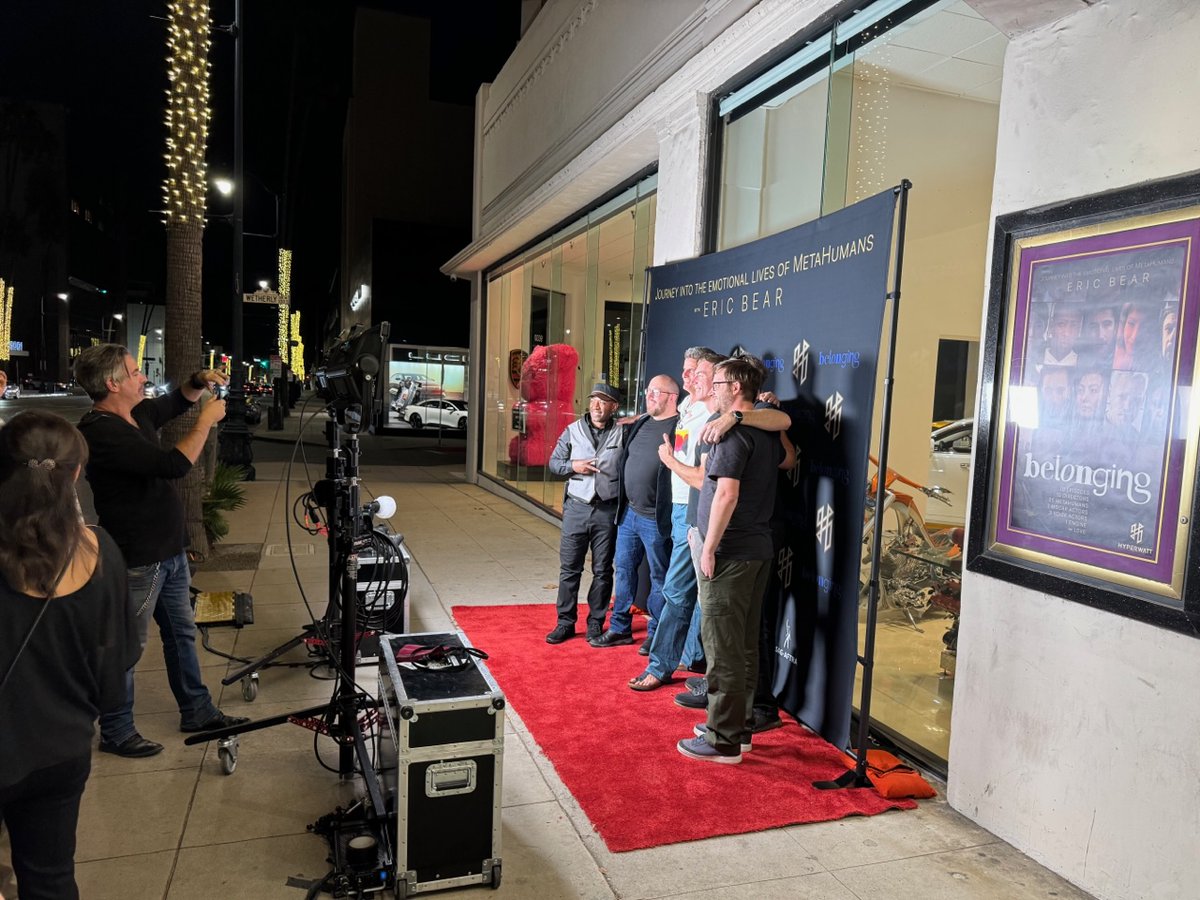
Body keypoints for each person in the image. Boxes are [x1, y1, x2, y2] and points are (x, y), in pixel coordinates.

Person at [74, 344, 249, 758]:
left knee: (182, 635)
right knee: (127, 647)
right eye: (134, 372)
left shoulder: (134, 416)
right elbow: (172, 464)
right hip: (139, 558)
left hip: (169, 552)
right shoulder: (101, 432)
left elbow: (171, 403)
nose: (142, 377)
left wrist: (196, 382)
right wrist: (205, 421)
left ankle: (197, 710)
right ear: (113, 383)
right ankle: (116, 731)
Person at [0, 411, 140, 900]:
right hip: (59, 749)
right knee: (50, 877)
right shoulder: (99, 552)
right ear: (76, 475)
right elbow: (117, 665)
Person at [629, 351, 789, 692]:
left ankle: (677, 673)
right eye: (688, 373)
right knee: (691, 601)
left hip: (718, 530)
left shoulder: (721, 417)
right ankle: (692, 671)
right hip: (689, 517)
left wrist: (672, 461)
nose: (691, 380)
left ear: (728, 384)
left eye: (700, 374)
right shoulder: (693, 407)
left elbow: (716, 484)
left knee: (694, 603)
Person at [677, 355, 786, 764]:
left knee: (723, 649)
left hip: (730, 554)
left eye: (719, 382)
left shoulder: (732, 435)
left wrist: (708, 548)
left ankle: (723, 740)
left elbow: (726, 494)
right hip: (754, 550)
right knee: (741, 647)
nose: (713, 389)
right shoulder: (758, 427)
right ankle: (737, 731)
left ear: (736, 387)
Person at [591, 375, 679, 649]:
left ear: (672, 397)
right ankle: (620, 628)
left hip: (655, 517)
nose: (649, 395)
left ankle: (655, 632)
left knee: (658, 575)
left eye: (656, 392)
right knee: (625, 571)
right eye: (648, 391)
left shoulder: (680, 426)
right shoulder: (641, 422)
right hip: (628, 513)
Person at [545, 382, 625, 644]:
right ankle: (565, 623)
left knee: (603, 570)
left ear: (614, 406)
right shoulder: (572, 430)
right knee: (570, 569)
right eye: (593, 400)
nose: (596, 405)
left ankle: (595, 623)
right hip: (577, 508)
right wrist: (574, 466)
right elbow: (554, 464)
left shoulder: (622, 433)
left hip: (606, 510)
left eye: (603, 401)